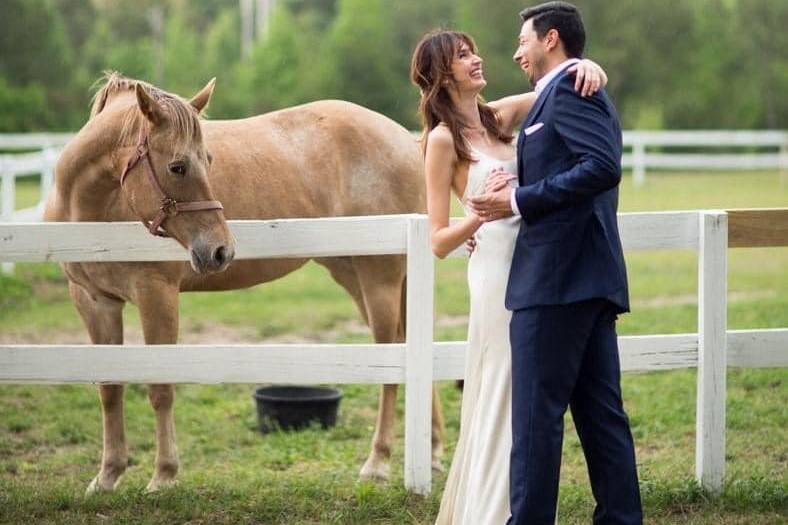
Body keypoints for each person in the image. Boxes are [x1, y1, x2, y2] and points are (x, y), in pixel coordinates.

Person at [410, 28, 607, 525]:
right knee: (505, 389)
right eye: (462, 56)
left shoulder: (497, 116)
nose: (477, 59)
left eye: (474, 50)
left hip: (539, 266)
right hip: (496, 273)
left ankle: (519, 507)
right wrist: (478, 216)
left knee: (529, 395)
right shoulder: (440, 141)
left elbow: (553, 86)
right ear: (440, 75)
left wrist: (591, 69)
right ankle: (492, 513)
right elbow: (436, 240)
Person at [468, 3, 643, 524]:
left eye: (523, 41)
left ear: (550, 39)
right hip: (586, 280)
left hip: (555, 283)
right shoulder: (569, 86)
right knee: (600, 418)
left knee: (536, 424)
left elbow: (602, 167)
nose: (516, 52)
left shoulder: (570, 91)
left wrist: (517, 202)